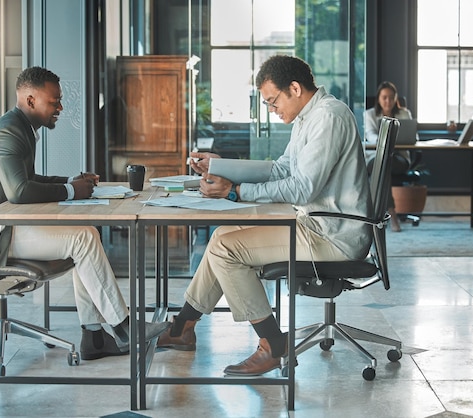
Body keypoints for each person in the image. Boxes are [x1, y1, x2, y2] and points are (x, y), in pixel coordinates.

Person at [156, 55, 373, 376]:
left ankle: (273, 344)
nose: (272, 110)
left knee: (226, 250)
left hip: (332, 235)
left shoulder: (329, 117)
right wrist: (221, 166)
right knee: (221, 237)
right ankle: (182, 328)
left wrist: (235, 192)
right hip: (316, 224)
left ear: (295, 88)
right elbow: (281, 169)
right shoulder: (308, 117)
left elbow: (303, 188)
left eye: (273, 101)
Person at [0, 66, 169, 361]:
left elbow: (28, 181)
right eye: (54, 101)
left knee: (84, 236)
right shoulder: (8, 132)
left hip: (5, 225)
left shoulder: (20, 127)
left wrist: (70, 183)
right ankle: (125, 327)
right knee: (83, 239)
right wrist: (71, 191)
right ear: (30, 100)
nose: (60, 107)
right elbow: (19, 191)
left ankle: (94, 337)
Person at [364, 81, 415, 232]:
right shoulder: (370, 115)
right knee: (383, 163)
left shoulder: (404, 114)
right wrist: (385, 141)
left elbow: (413, 136)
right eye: (384, 97)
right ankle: (392, 214)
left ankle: (383, 215)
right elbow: (370, 135)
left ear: (396, 98)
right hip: (375, 157)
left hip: (399, 159)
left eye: (391, 98)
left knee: (385, 164)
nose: (388, 101)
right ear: (378, 98)